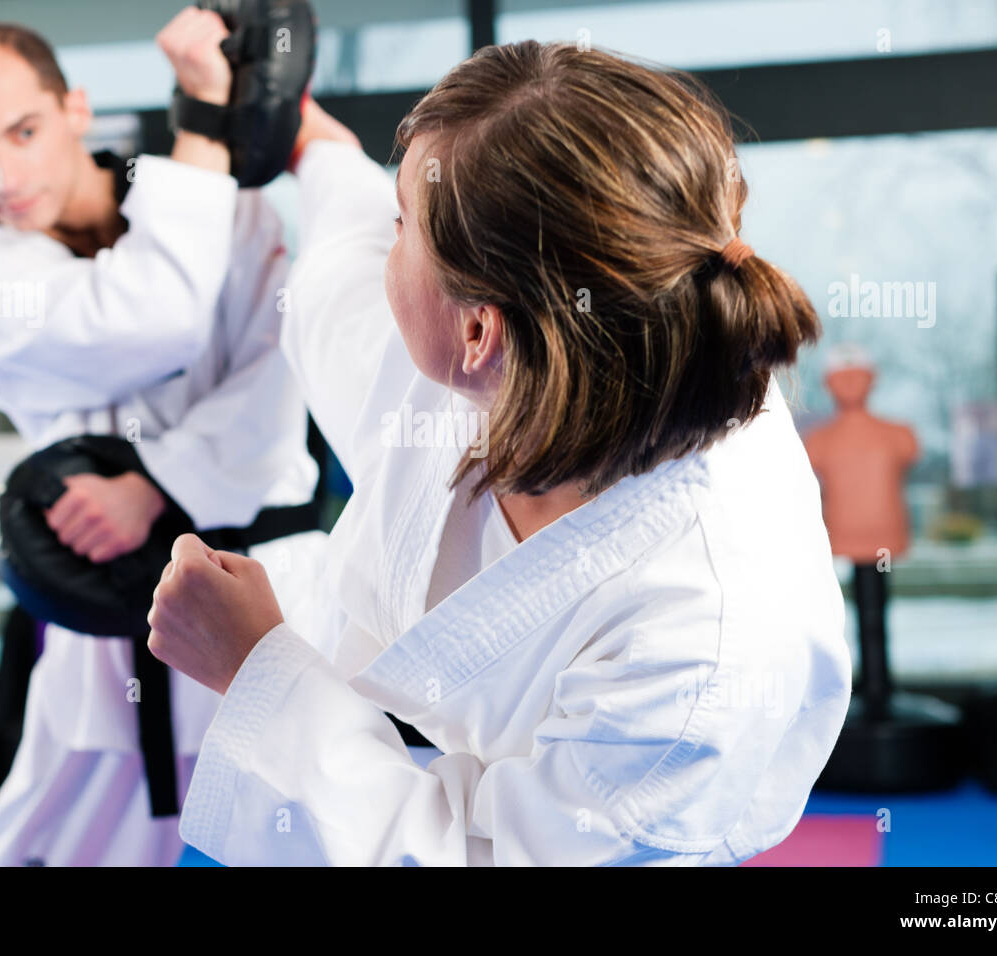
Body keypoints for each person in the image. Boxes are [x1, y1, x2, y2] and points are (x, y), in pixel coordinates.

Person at [147, 42, 852, 865]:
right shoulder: (520, 357)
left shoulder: (702, 634)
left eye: (402, 225)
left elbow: (479, 859)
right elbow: (338, 269)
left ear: (480, 328)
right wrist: (304, 131)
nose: (388, 242)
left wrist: (256, 670)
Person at [0, 10, 319, 866]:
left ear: (75, 110)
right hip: (109, 622)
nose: (3, 174)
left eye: (23, 131)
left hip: (269, 592)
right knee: (38, 850)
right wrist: (204, 117)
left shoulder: (238, 215)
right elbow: (156, 319)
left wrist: (151, 487)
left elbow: (275, 392)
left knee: (338, 829)